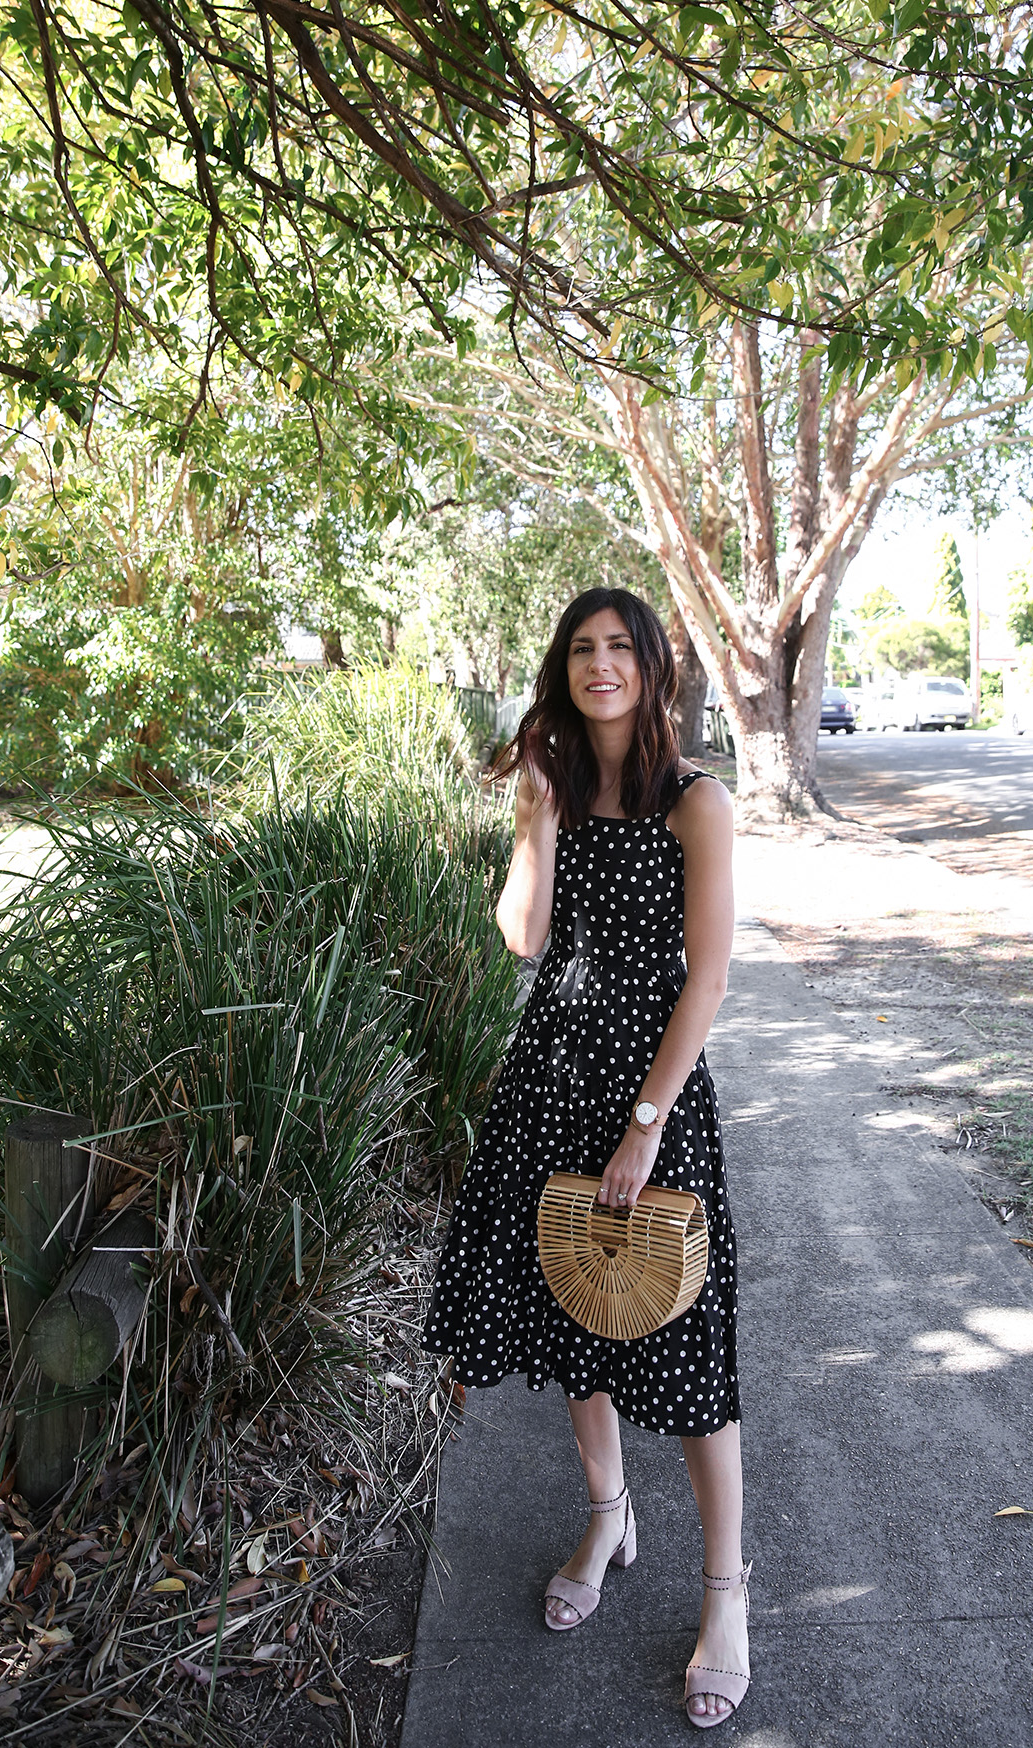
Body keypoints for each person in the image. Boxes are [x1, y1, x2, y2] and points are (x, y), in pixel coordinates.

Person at [421, 587, 748, 1729]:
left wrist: (646, 1122)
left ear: (654, 668)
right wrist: (538, 814)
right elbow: (522, 936)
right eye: (580, 650)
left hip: (650, 1093)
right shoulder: (554, 781)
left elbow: (704, 977)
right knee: (575, 1310)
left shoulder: (695, 801)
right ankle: (607, 1514)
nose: (599, 666)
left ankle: (724, 1592)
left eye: (619, 649)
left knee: (687, 1343)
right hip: (550, 1078)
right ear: (561, 669)